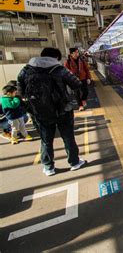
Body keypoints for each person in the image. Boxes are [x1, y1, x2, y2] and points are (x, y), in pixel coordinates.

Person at [18, 47, 86, 176]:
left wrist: (31, 106)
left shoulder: (26, 70)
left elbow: (20, 90)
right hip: (63, 110)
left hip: (41, 112)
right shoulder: (59, 69)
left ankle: (49, 167)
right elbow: (76, 84)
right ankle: (74, 162)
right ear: (56, 58)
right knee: (68, 137)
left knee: (46, 140)